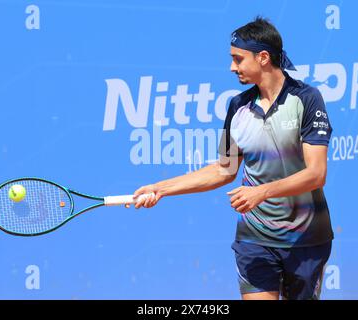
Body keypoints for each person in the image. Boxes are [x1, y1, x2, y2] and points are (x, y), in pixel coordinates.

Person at [133, 17, 334, 300]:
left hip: (306, 239)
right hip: (255, 239)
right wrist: (161, 188)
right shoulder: (237, 106)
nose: (232, 67)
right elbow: (223, 170)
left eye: (238, 59)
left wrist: (260, 192)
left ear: (263, 58)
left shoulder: (307, 99)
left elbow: (316, 174)